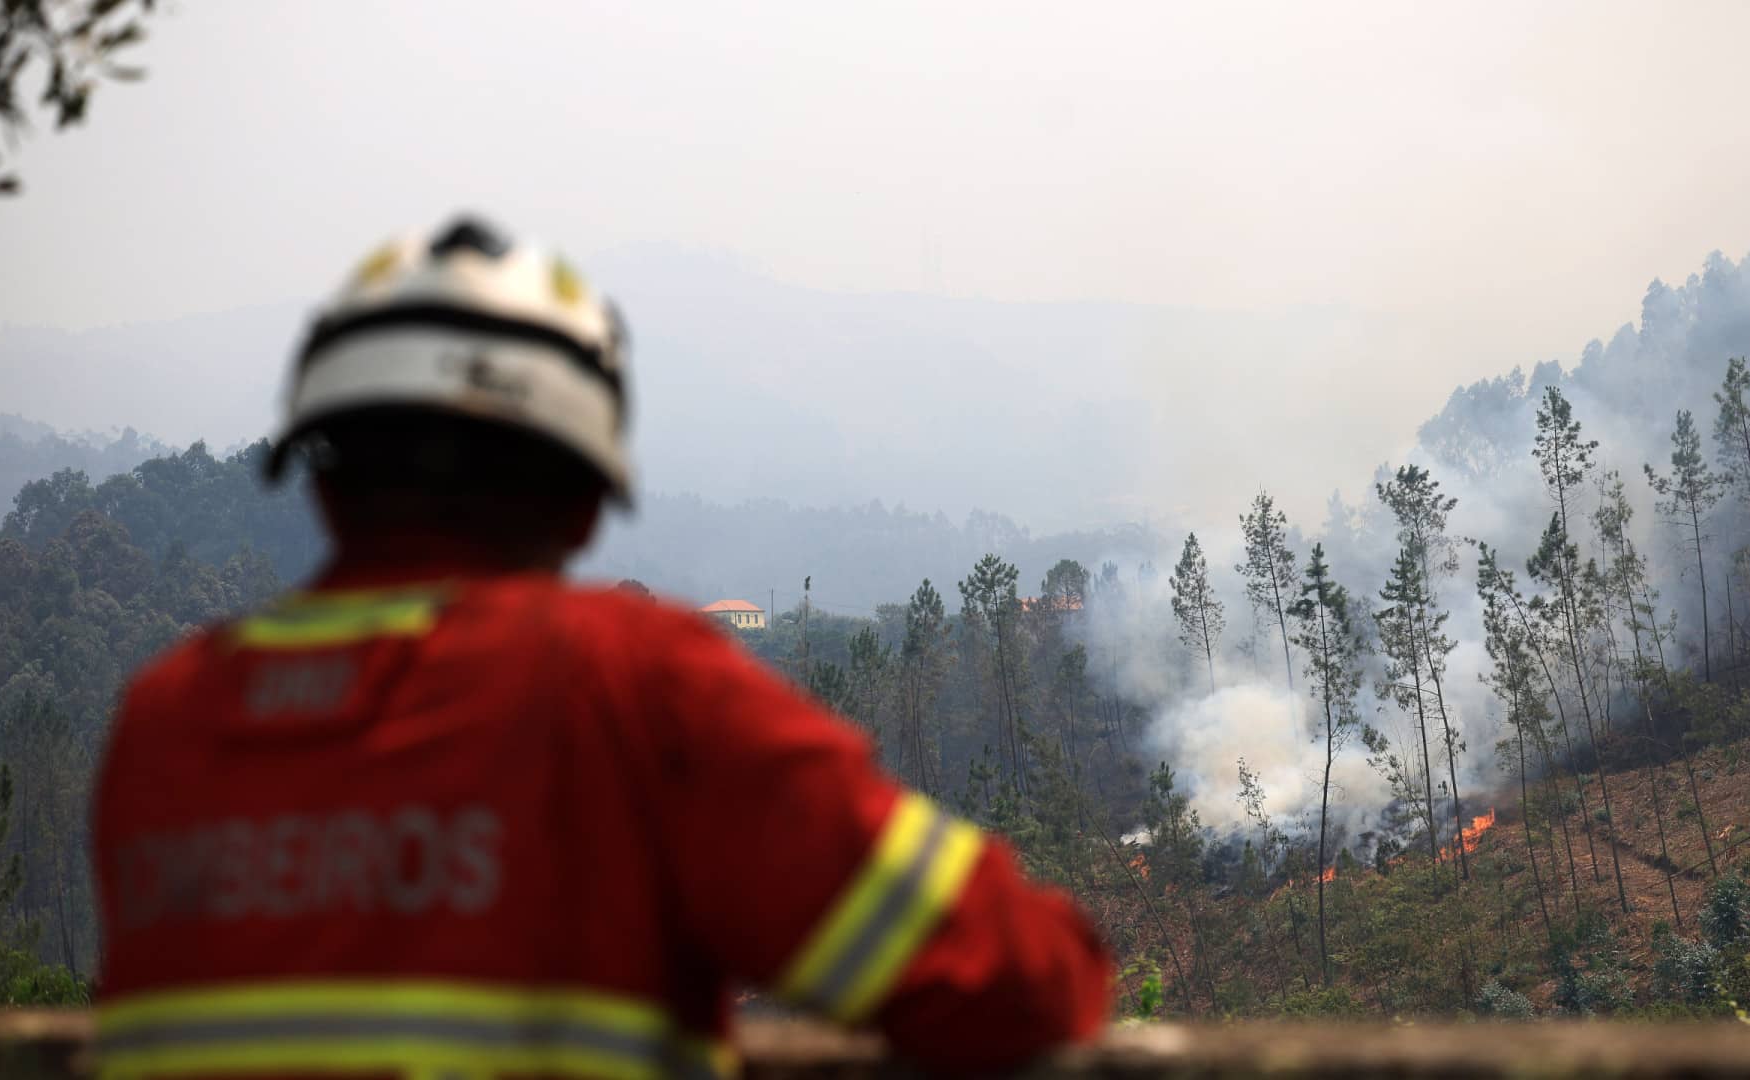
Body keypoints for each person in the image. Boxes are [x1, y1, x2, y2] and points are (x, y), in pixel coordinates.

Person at [90, 217, 1113, 1079]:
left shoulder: (164, 720)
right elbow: (1018, 982)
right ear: (584, 503)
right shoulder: (627, 686)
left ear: (319, 480)